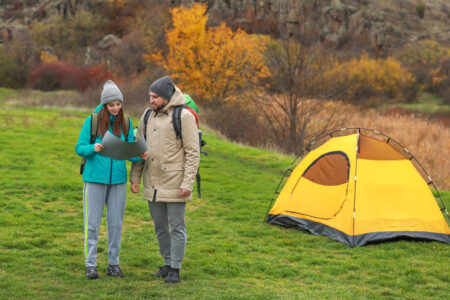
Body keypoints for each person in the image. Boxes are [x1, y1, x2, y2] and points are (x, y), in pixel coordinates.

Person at [130, 76, 200, 284]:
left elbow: (193, 153)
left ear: (167, 97)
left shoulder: (184, 116)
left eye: (155, 97)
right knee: (160, 226)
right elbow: (139, 147)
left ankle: (175, 269)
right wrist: (135, 177)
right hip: (152, 182)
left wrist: (187, 184)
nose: (151, 100)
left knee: (177, 226)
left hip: (176, 182)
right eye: (150, 96)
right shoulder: (146, 115)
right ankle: (167, 263)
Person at [75, 80, 147, 280]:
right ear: (105, 105)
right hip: (94, 179)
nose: (116, 108)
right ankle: (91, 265)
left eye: (118, 103)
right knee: (92, 224)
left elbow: (127, 151)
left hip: (117, 181)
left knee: (116, 224)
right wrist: (93, 148)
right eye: (112, 104)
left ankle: (113, 264)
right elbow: (79, 147)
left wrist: (139, 155)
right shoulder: (92, 121)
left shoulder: (126, 123)